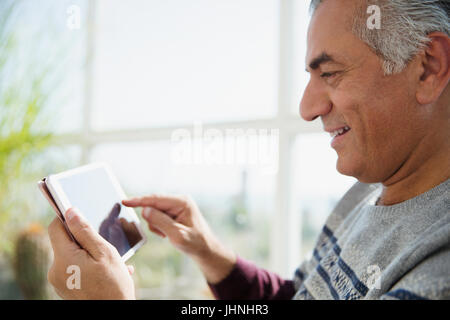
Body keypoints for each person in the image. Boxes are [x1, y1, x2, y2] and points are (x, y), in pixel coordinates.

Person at [47, 0, 450, 300]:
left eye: (330, 74)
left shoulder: (439, 268)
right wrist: (212, 255)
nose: (307, 109)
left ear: (428, 67)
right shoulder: (367, 190)